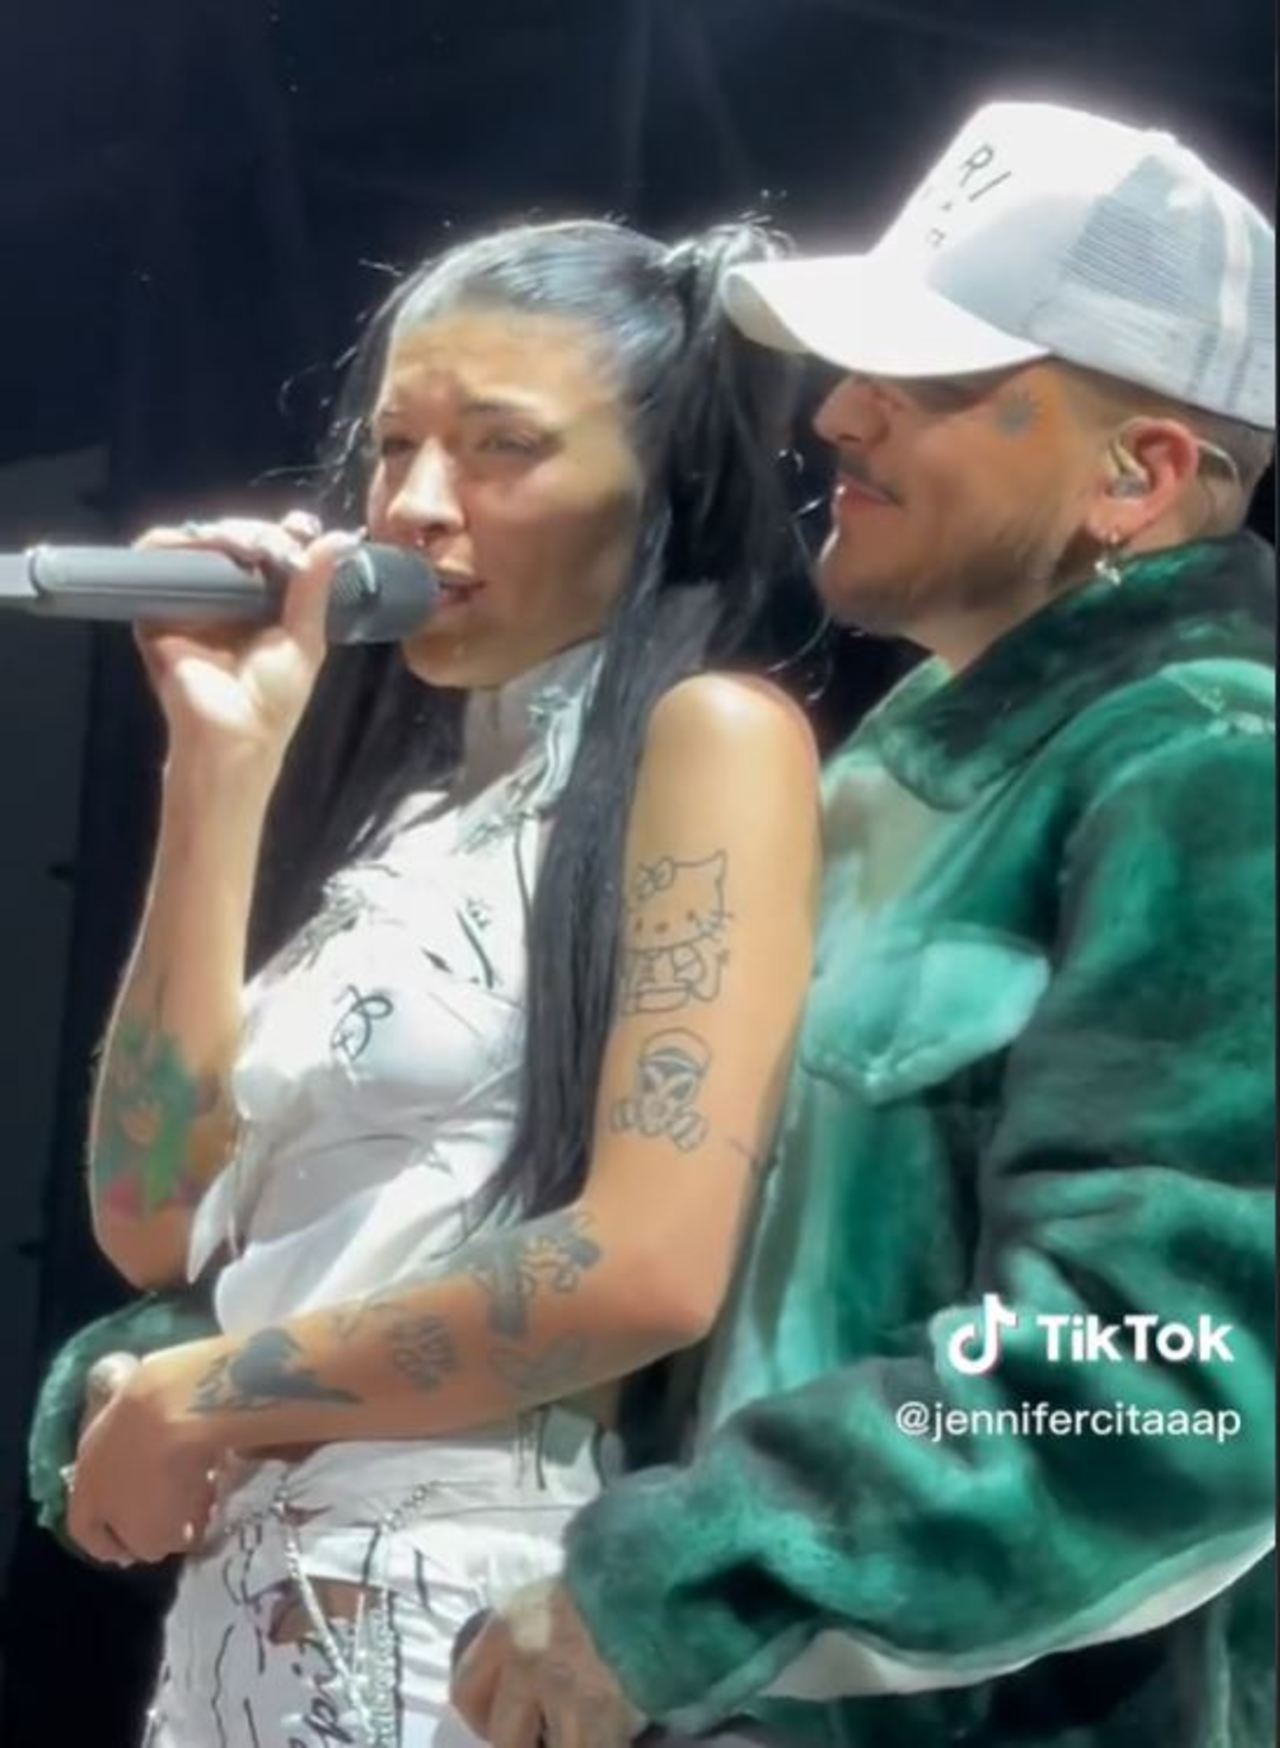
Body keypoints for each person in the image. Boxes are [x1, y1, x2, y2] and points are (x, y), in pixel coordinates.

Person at [453, 101, 1277, 1748]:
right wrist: (238, 1361)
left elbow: (1178, 1376)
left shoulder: (1211, 768)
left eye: (935, 382)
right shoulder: (904, 765)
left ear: (1139, 474)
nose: (838, 412)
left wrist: (695, 1587)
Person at [63, 217, 824, 1747]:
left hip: (454, 1634)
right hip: (233, 1643)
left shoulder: (712, 739)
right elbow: (152, 1218)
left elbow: (650, 1261)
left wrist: (210, 1392)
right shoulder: (408, 817)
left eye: (501, 448)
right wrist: (221, 762)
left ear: (661, 484)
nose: (415, 503)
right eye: (395, 444)